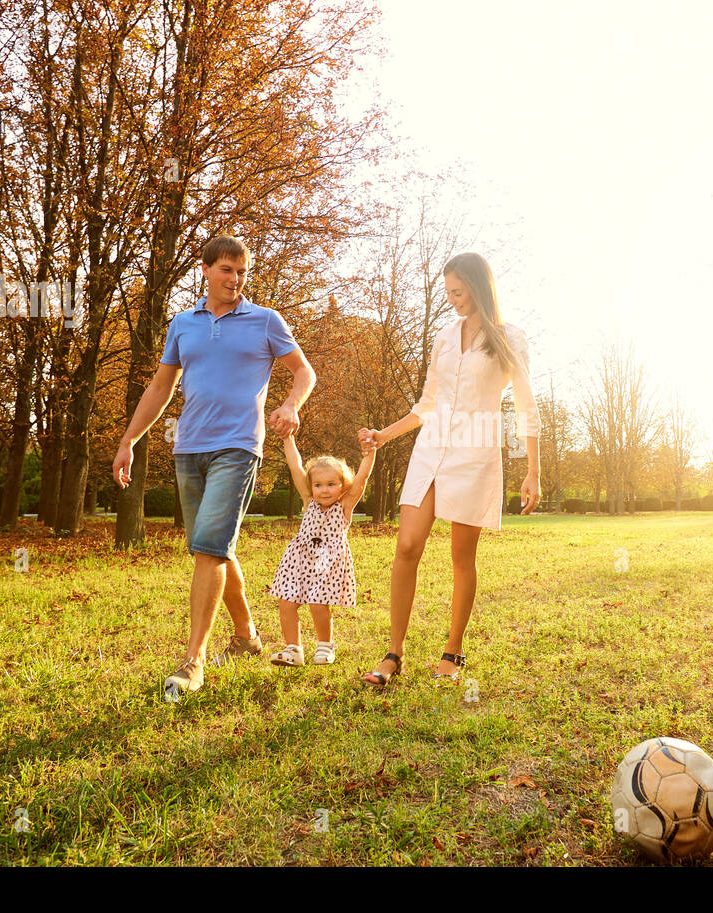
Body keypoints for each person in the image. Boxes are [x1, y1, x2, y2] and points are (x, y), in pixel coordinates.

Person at [113, 234, 315, 696]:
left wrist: (290, 405)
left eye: (242, 272)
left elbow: (304, 371)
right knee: (214, 547)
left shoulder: (265, 320)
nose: (235, 279)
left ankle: (193, 662)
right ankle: (246, 637)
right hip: (189, 447)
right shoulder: (183, 324)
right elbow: (160, 388)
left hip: (240, 446)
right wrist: (129, 440)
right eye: (227, 270)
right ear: (205, 270)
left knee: (209, 548)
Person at [358, 252, 540, 688]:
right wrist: (384, 435)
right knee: (406, 546)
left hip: (475, 453)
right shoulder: (443, 336)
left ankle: (453, 651)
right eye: (449, 293)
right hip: (431, 449)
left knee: (462, 556)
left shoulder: (510, 337)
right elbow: (427, 404)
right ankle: (393, 653)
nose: (453, 301)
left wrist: (532, 471)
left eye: (458, 292)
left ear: (478, 287)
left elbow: (528, 408)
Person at [266, 431, 376, 666]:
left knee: (317, 602)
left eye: (331, 484)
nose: (324, 490)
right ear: (311, 487)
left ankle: (325, 646)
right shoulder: (309, 501)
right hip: (298, 559)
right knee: (286, 602)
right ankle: (293, 649)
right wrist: (288, 439)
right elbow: (295, 467)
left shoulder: (344, 506)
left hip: (327, 562)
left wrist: (370, 453)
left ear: (342, 485)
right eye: (318, 485)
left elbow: (362, 479)